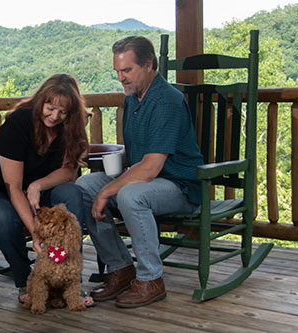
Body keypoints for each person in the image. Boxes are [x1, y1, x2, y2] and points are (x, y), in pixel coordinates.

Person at [76, 36, 204, 308]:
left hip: (179, 186)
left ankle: (151, 279)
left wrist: (108, 191)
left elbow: (151, 166)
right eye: (117, 72)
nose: (121, 78)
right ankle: (121, 268)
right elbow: (134, 154)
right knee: (85, 188)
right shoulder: (134, 98)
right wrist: (98, 156)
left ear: (148, 64)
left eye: (127, 70)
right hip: (148, 179)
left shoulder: (167, 100)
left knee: (130, 196)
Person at [0, 73, 93, 305]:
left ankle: (73, 282)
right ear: (40, 101)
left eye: (62, 112)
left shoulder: (70, 128)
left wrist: (37, 185)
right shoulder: (18, 123)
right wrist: (35, 234)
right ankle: (26, 281)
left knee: (72, 193)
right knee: (6, 217)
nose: (55, 116)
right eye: (50, 107)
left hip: (36, 191)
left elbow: (69, 172)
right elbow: (13, 187)